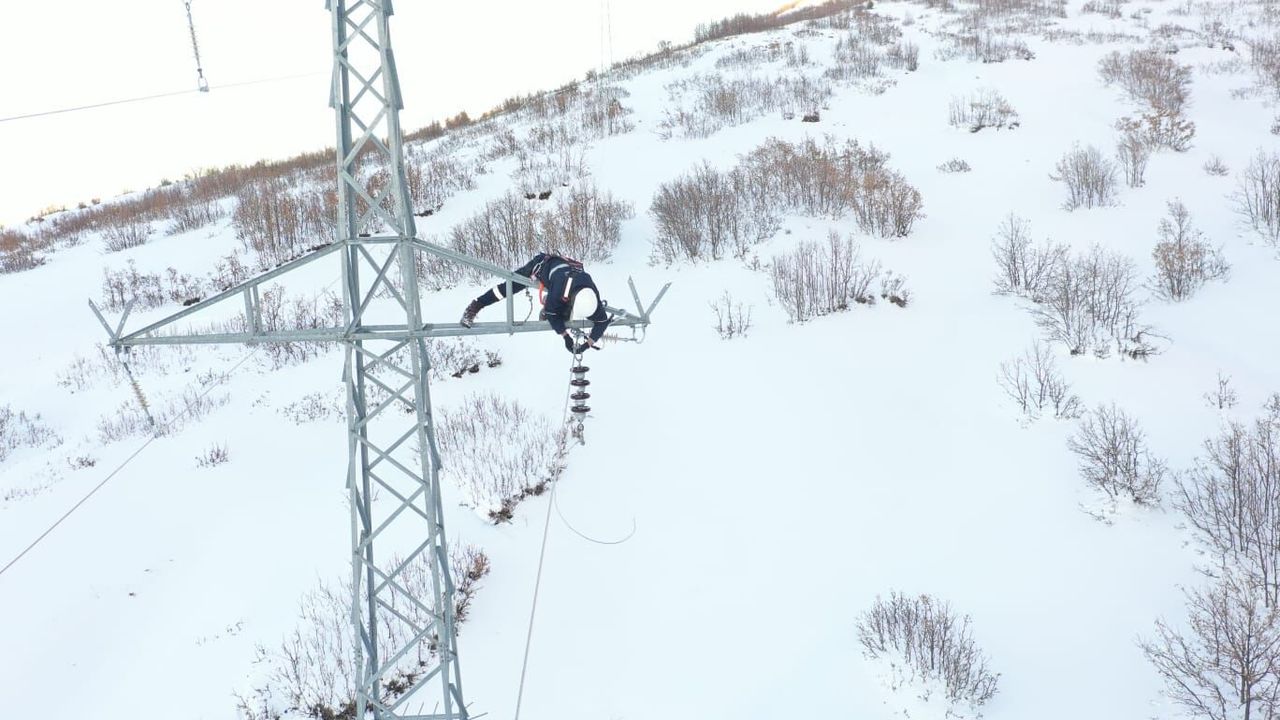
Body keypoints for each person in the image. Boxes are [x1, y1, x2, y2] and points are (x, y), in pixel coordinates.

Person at [460, 252, 610, 353]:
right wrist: (565, 336)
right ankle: (476, 305)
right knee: (508, 288)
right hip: (541, 265)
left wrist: (587, 345)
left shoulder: (591, 296)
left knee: (561, 311)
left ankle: (553, 305)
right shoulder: (559, 290)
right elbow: (552, 314)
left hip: (565, 270)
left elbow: (602, 321)